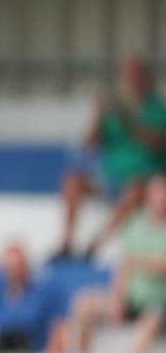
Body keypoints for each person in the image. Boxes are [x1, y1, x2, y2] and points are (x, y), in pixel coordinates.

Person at [53, 56, 166, 261]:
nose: (130, 80)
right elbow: (87, 145)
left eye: (135, 75)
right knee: (72, 181)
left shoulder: (156, 107)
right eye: (127, 75)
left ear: (145, 78)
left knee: (136, 188)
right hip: (109, 179)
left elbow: (158, 142)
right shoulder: (113, 109)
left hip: (140, 183)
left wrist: (128, 121)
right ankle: (66, 244)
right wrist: (98, 115)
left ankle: (95, 245)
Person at [57, 176, 166, 353]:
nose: (161, 198)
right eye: (157, 193)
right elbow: (123, 265)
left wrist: (136, 261)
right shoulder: (136, 223)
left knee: (151, 320)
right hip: (131, 299)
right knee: (84, 304)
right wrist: (117, 296)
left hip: (157, 303)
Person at [0, 242, 57, 352]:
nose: (12, 273)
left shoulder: (42, 295)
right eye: (8, 268)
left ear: (25, 267)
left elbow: (56, 329)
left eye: (16, 267)